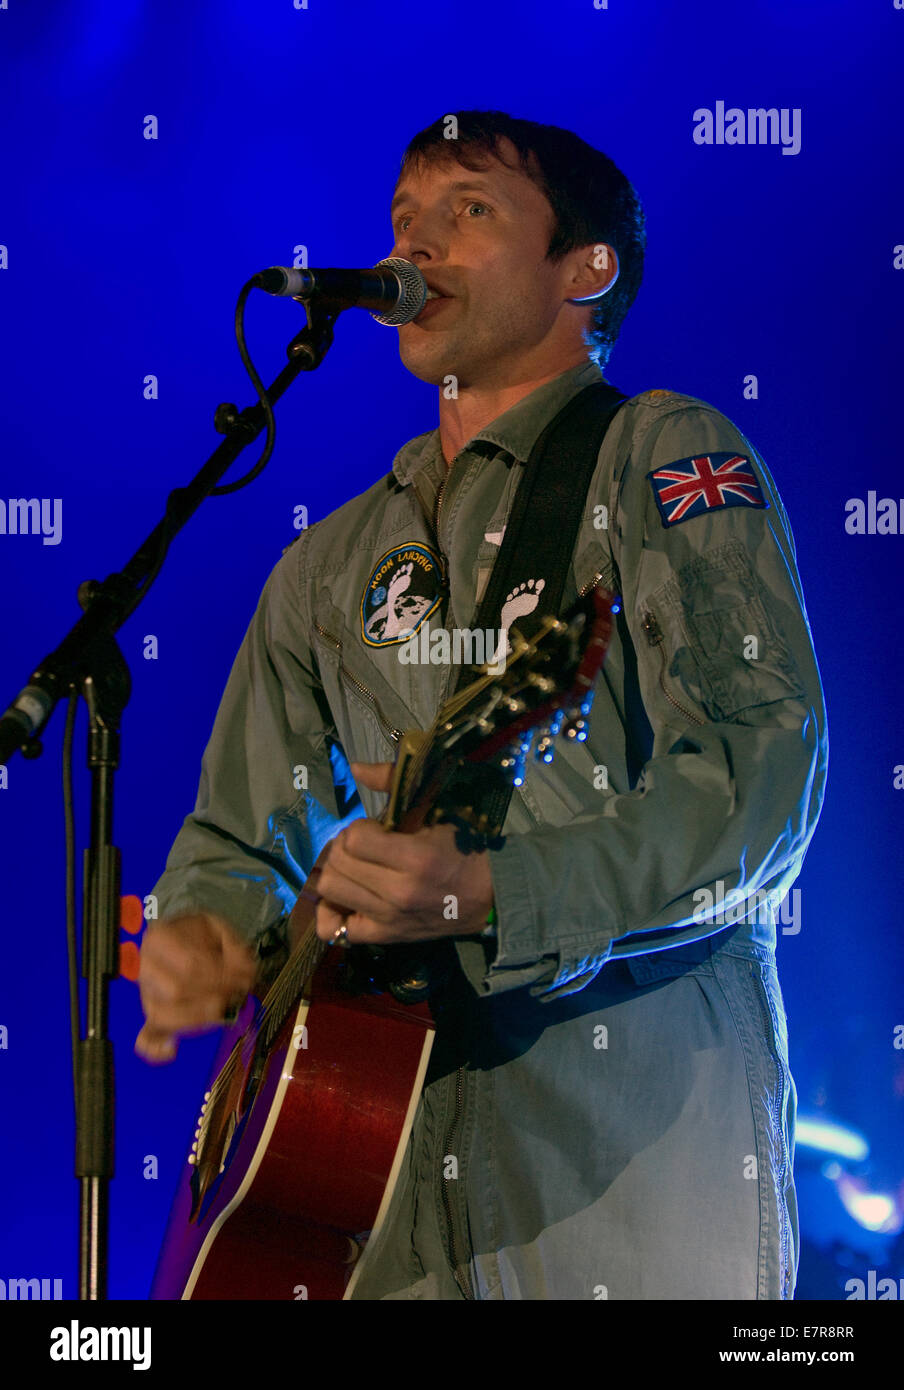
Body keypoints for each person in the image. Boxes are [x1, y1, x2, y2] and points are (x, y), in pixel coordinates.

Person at [137, 110, 828, 1300]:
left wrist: (495, 891)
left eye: (468, 211)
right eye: (404, 220)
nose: (416, 248)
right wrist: (208, 935)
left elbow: (761, 779)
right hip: (362, 1195)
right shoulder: (330, 560)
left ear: (585, 269)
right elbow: (245, 835)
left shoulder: (660, 453)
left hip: (621, 1171)